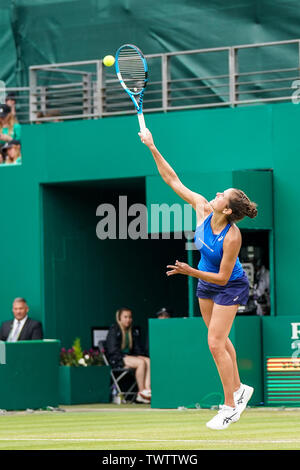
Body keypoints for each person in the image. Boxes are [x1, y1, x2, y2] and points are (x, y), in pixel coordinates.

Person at [139, 128, 257, 430]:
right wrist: (152, 146)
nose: (216, 194)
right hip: (205, 280)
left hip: (228, 283)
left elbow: (221, 277)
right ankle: (240, 388)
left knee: (215, 343)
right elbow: (172, 179)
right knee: (219, 340)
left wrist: (190, 272)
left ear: (228, 209)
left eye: (222, 196)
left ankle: (230, 406)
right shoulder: (202, 209)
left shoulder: (233, 236)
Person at [106, 307, 151, 403]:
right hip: (117, 360)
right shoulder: (114, 330)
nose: (128, 319)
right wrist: (123, 360)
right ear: (119, 318)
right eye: (125, 317)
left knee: (148, 360)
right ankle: (141, 391)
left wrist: (139, 355)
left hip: (129, 358)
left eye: (130, 317)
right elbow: (112, 351)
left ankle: (147, 390)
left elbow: (137, 350)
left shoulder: (133, 331)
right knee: (141, 362)